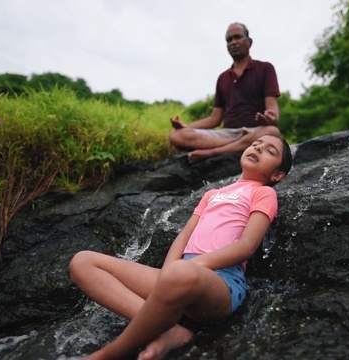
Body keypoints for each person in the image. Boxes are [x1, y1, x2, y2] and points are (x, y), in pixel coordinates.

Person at [69, 134, 293, 360]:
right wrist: (168, 273)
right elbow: (184, 236)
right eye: (256, 144)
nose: (258, 148)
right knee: (82, 261)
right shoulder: (212, 194)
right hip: (179, 276)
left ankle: (109, 354)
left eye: (270, 151)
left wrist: (188, 267)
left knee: (181, 272)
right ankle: (169, 330)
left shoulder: (264, 193)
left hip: (221, 282)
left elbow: (246, 247)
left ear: (277, 174)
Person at [169, 22, 282, 163]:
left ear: (249, 42)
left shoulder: (265, 68)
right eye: (229, 39)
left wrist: (272, 118)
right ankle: (238, 143)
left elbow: (272, 107)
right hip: (227, 134)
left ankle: (214, 152)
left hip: (255, 131)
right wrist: (186, 127)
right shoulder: (223, 78)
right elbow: (215, 119)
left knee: (272, 132)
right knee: (176, 135)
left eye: (238, 37)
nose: (233, 42)